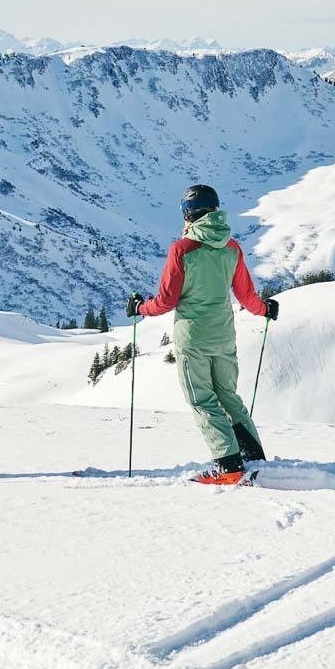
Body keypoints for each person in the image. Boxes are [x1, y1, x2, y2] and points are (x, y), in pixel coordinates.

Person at [128, 183, 280, 485]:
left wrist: (140, 308)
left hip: (193, 338)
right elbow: (247, 297)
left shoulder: (182, 250)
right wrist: (265, 309)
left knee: (202, 401)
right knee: (228, 396)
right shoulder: (231, 248)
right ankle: (252, 455)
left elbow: (166, 301)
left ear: (188, 214)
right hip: (224, 336)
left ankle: (229, 465)